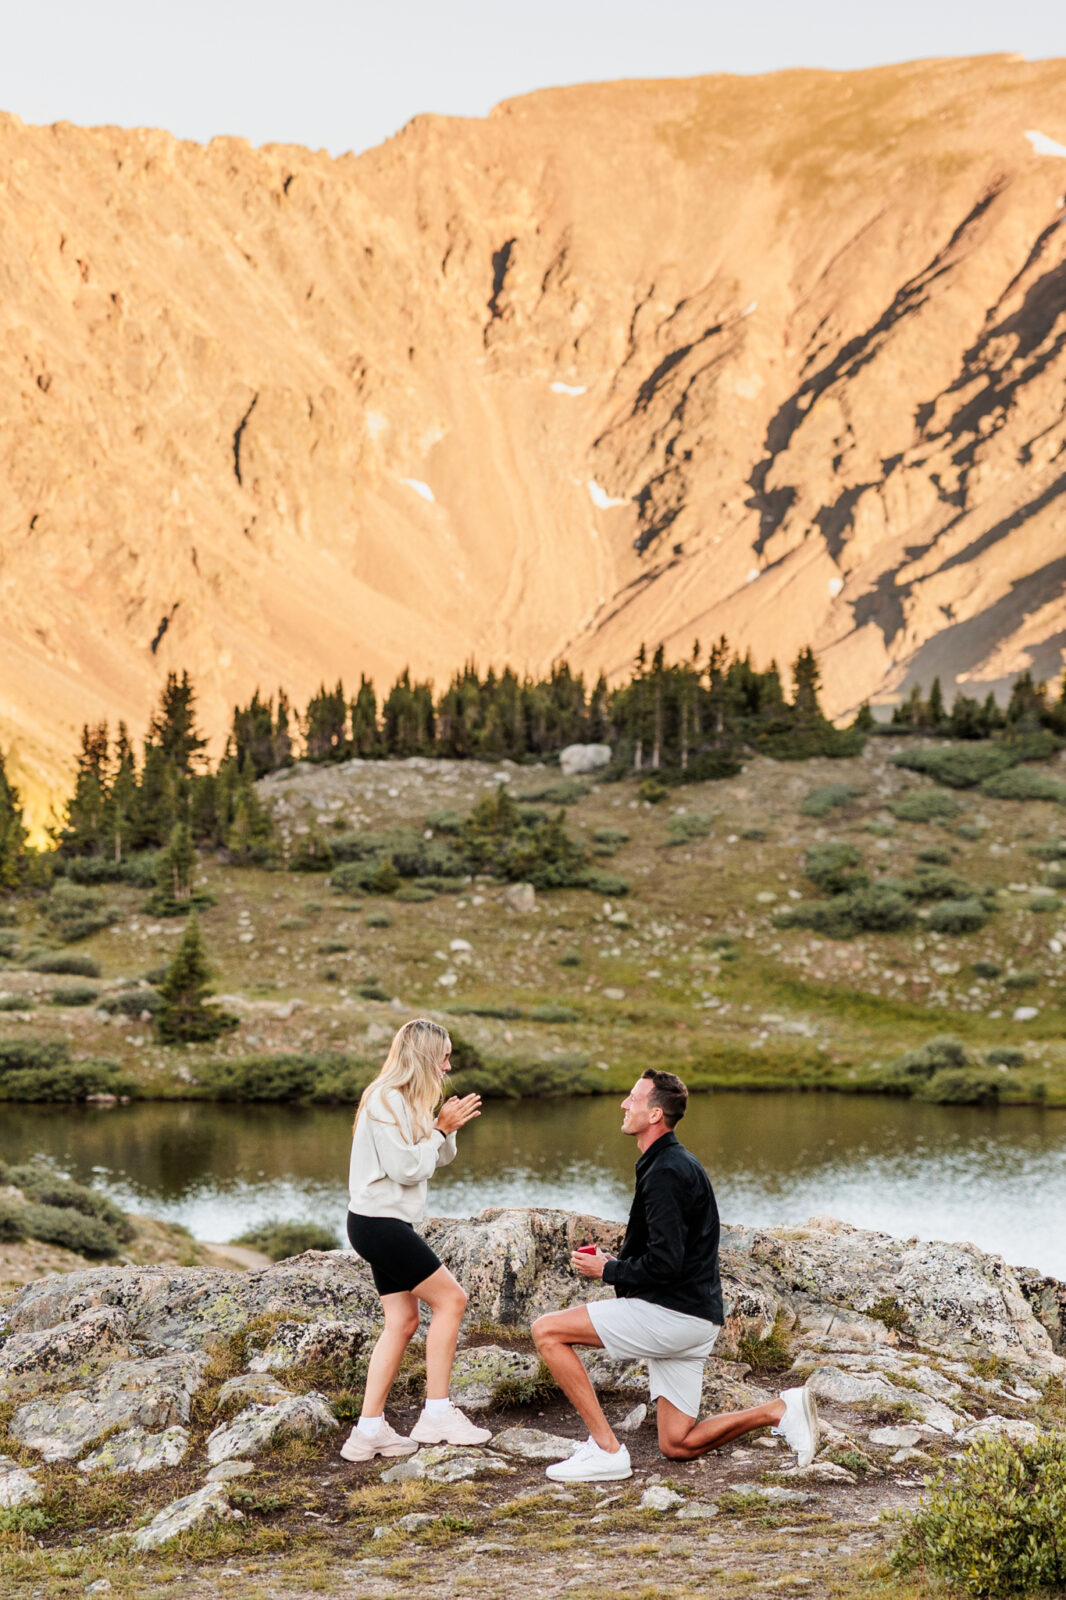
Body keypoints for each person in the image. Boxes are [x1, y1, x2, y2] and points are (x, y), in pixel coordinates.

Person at [531, 1069, 819, 1482]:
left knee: (547, 1331)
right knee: (677, 1443)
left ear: (655, 1115)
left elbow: (667, 1265)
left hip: (673, 1317)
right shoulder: (671, 1162)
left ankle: (605, 1449)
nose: (624, 1104)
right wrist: (620, 1263)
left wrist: (608, 1269)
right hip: (695, 1319)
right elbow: (669, 1255)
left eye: (633, 1098)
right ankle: (780, 1410)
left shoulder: (666, 1171)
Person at [340, 1017, 490, 1462]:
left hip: (388, 1224)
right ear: (426, 1056)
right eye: (443, 1056)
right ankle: (437, 1413)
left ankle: (368, 1432)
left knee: (402, 1323)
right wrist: (440, 1128)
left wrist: (448, 1127)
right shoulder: (386, 1099)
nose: (448, 1066)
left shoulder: (408, 1099)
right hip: (378, 1224)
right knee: (452, 1300)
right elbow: (407, 1168)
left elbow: (435, 1159)